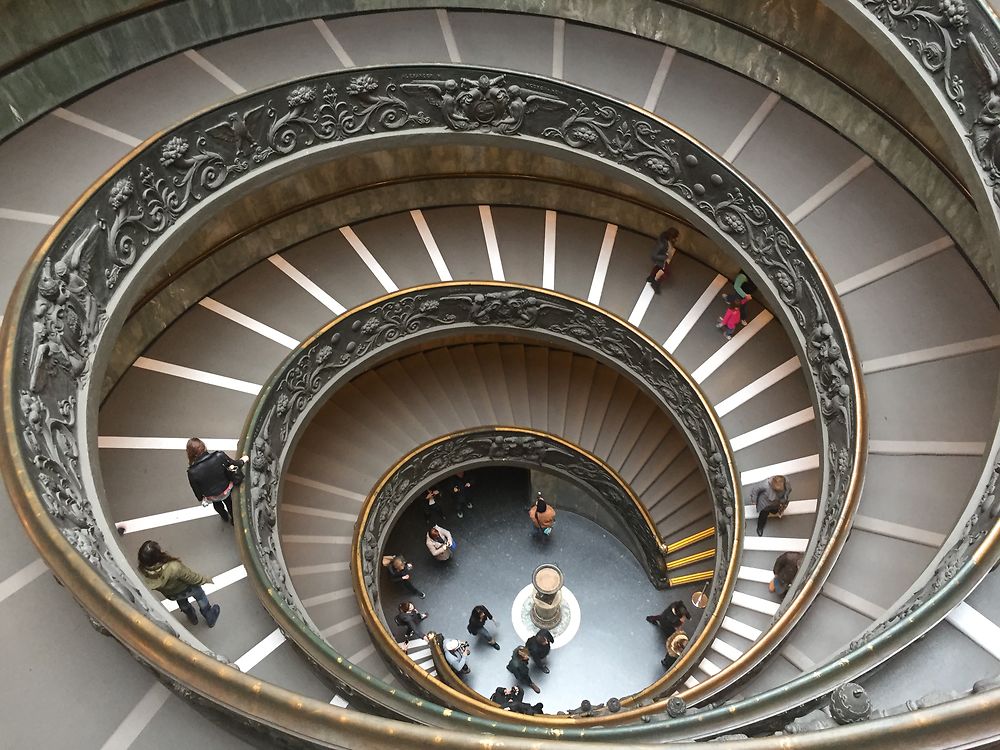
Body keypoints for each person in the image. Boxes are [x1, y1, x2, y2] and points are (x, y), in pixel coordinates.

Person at [137, 540, 220, 627]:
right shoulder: (173, 567)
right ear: (157, 556)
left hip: (172, 594)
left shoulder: (143, 572)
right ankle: (209, 616)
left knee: (182, 601)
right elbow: (192, 578)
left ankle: (191, 616)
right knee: (201, 596)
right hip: (188, 589)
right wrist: (205, 579)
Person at [186, 437, 249, 525]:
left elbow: (196, 489)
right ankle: (233, 520)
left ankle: (224, 516)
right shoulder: (219, 456)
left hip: (212, 495)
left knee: (217, 505)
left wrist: (201, 498)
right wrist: (243, 460)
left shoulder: (192, 472)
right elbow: (235, 464)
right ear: (204, 447)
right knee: (230, 504)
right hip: (226, 489)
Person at [646, 227, 680, 294]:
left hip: (660, 256)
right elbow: (654, 255)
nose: (676, 239)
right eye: (675, 237)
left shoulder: (664, 236)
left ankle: (651, 277)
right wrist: (665, 257)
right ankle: (656, 283)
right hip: (659, 257)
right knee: (666, 273)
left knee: (658, 267)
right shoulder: (662, 244)